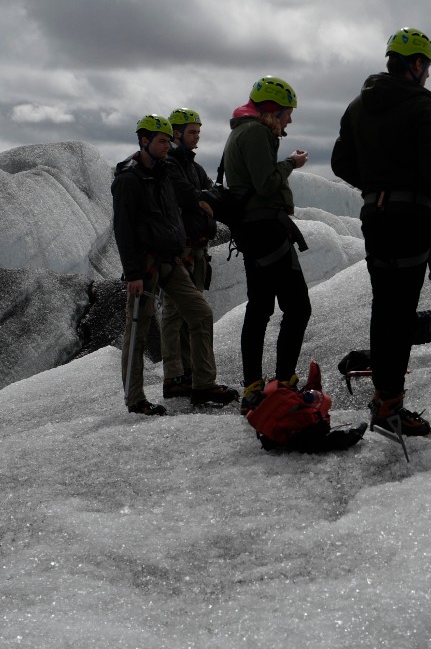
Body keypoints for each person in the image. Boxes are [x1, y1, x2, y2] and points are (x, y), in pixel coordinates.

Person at [332, 26, 431, 437]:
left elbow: (339, 162)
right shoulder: (420, 106)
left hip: (375, 218)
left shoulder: (356, 106)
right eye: (427, 66)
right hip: (410, 218)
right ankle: (391, 407)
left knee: (385, 306)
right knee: (400, 314)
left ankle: (386, 398)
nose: (429, 74)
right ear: (415, 64)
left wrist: (374, 183)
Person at [111, 115, 225, 415]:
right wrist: (133, 272)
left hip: (171, 261)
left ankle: (203, 385)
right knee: (137, 330)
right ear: (144, 141)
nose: (166, 145)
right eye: (161, 140)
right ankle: (135, 400)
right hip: (145, 267)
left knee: (201, 314)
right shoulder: (128, 179)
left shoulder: (164, 172)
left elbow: (172, 214)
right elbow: (123, 229)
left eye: (167, 140)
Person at [224, 77, 312, 400]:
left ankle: (253, 388)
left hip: (251, 232)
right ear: (274, 110)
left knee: (260, 308)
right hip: (268, 232)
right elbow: (265, 184)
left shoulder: (241, 131)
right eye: (288, 112)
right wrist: (291, 163)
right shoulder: (257, 132)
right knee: (298, 307)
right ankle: (285, 382)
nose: (289, 119)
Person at [160, 106, 234, 404]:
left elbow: (210, 194)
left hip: (198, 247)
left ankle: (186, 372)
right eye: (192, 132)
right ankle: (175, 375)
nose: (196, 137)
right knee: (176, 312)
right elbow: (187, 196)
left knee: (186, 313)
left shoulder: (193, 166)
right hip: (183, 248)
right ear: (176, 133)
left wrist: (206, 197)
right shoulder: (170, 165)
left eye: (198, 132)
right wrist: (202, 197)